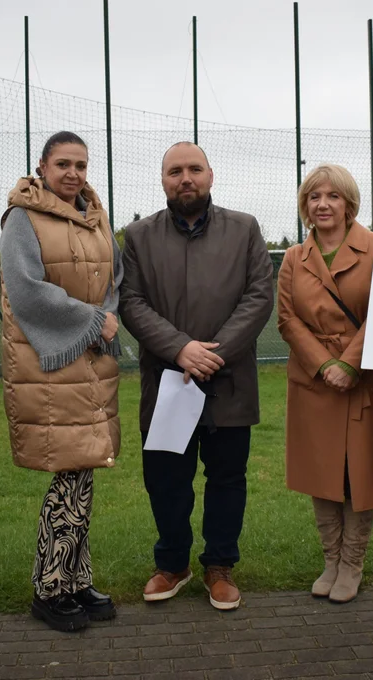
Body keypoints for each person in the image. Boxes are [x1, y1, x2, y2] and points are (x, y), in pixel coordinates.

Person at [119, 141, 273, 611]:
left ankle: (219, 567)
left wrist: (213, 354)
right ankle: (173, 565)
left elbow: (259, 296)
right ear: (162, 180)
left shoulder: (244, 229)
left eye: (194, 169)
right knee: (166, 482)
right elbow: (131, 303)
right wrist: (180, 349)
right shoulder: (138, 236)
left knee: (227, 480)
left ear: (211, 174)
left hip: (228, 384)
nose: (185, 178)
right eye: (174, 171)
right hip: (169, 383)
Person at [0, 131, 122, 633]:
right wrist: (94, 321)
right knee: (70, 477)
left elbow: (114, 280)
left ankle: (75, 579)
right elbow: (26, 291)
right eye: (63, 164)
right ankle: (48, 588)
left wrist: (105, 319)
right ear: (42, 167)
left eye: (81, 165)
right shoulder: (22, 218)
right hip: (49, 362)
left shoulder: (96, 216)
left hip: (91, 360)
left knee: (83, 473)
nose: (73, 173)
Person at [276, 164, 373, 603]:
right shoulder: (292, 258)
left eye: (333, 196)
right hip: (313, 381)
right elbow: (287, 319)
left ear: (349, 203)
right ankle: (330, 559)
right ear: (306, 205)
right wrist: (325, 365)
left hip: (365, 378)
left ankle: (352, 564)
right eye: (314, 196)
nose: (322, 204)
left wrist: (350, 364)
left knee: (357, 473)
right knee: (321, 473)